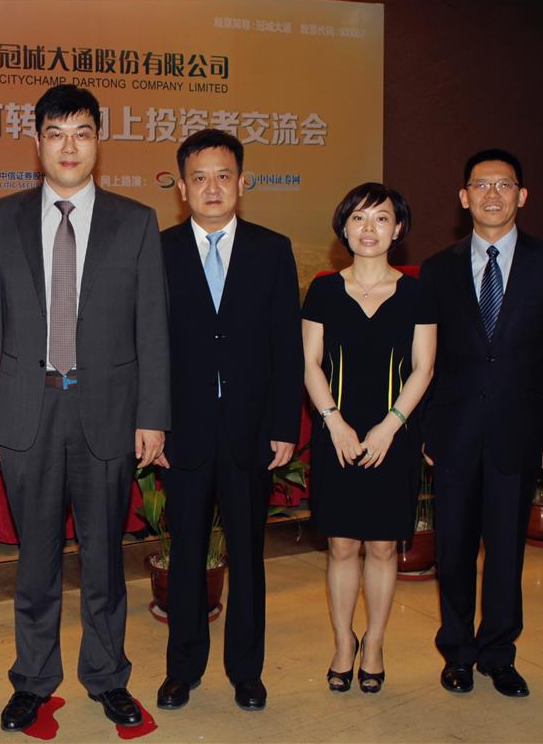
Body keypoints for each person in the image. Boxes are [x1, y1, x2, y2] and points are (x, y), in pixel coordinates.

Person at [0, 84, 170, 732]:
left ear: (98, 142)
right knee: (34, 560)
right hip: (27, 410)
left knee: (104, 560)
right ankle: (33, 680)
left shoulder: (134, 220)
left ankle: (107, 676)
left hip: (107, 411)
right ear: (36, 142)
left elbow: (152, 326)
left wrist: (153, 416)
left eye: (82, 133)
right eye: (56, 134)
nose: (69, 147)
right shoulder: (2, 218)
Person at [420, 149, 543, 698]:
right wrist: (427, 429)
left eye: (504, 184)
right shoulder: (438, 269)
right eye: (481, 185)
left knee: (507, 550)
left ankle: (498, 654)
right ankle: (457, 652)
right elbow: (427, 361)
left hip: (520, 432)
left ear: (522, 195)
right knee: (454, 550)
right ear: (463, 197)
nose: (493, 194)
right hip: (454, 434)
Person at [154, 129, 302, 712]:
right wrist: (153, 422)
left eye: (222, 176)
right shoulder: (158, 250)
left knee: (247, 555)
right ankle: (182, 670)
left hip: (250, 431)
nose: (211, 187)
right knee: (186, 554)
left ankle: (246, 671)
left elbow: (286, 346)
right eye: (199, 177)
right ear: (181, 187)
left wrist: (284, 425)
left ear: (242, 182)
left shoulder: (272, 249)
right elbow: (146, 346)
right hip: (182, 432)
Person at [302, 183, 437, 694]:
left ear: (397, 229)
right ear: (344, 227)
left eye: (381, 218)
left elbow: (424, 368)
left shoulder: (418, 293)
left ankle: (374, 644)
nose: (369, 228)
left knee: (382, 547)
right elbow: (310, 363)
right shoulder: (323, 290)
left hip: (393, 436)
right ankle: (344, 643)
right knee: (341, 546)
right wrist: (334, 421)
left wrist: (390, 425)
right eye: (358, 217)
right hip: (336, 433)